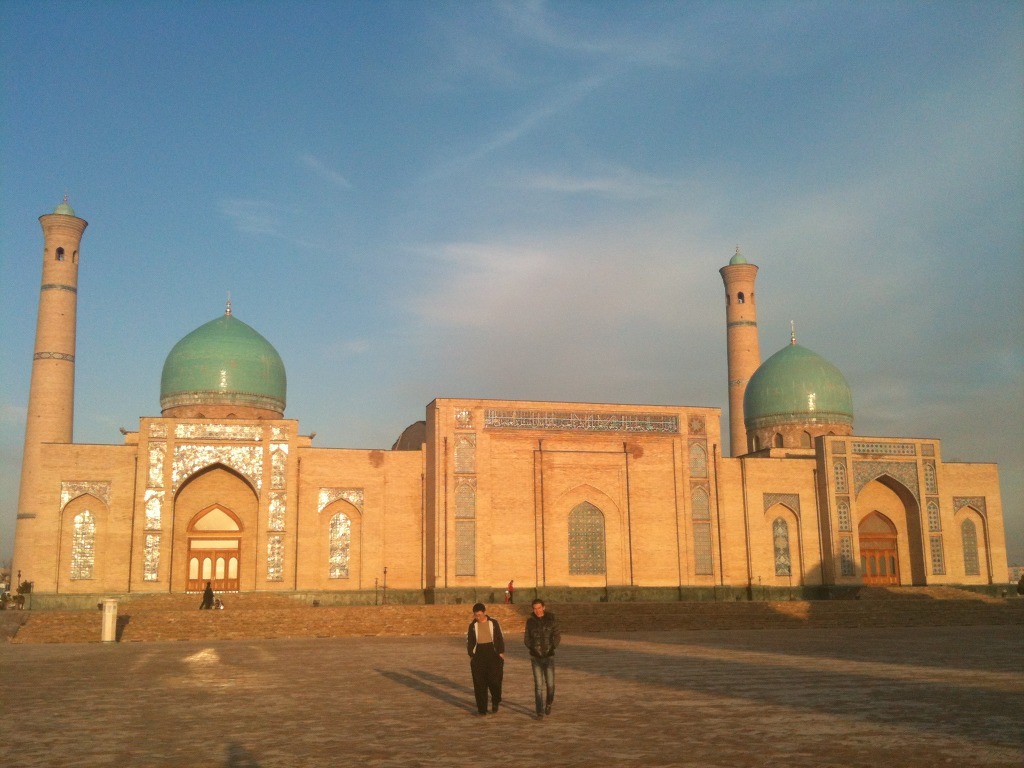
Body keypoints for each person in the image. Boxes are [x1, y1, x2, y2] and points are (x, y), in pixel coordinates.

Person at [524, 598, 560, 719]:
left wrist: (552, 647)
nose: (537, 610)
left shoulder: (551, 620)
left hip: (549, 656)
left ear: (543, 607)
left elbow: (557, 635)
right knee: (538, 685)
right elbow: (526, 638)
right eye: (535, 608)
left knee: (550, 685)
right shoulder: (530, 622)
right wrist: (533, 648)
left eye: (539, 608)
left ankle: (549, 703)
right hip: (536, 658)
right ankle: (539, 711)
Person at [466, 602, 504, 715]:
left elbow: (500, 637)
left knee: (495, 681)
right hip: (478, 655)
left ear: (484, 613)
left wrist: (501, 652)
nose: (478, 617)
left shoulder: (494, 623)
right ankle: (482, 709)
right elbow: (470, 641)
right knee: (479, 683)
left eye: (479, 615)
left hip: (493, 654)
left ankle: (496, 700)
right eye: (476, 615)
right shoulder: (472, 626)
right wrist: (471, 655)